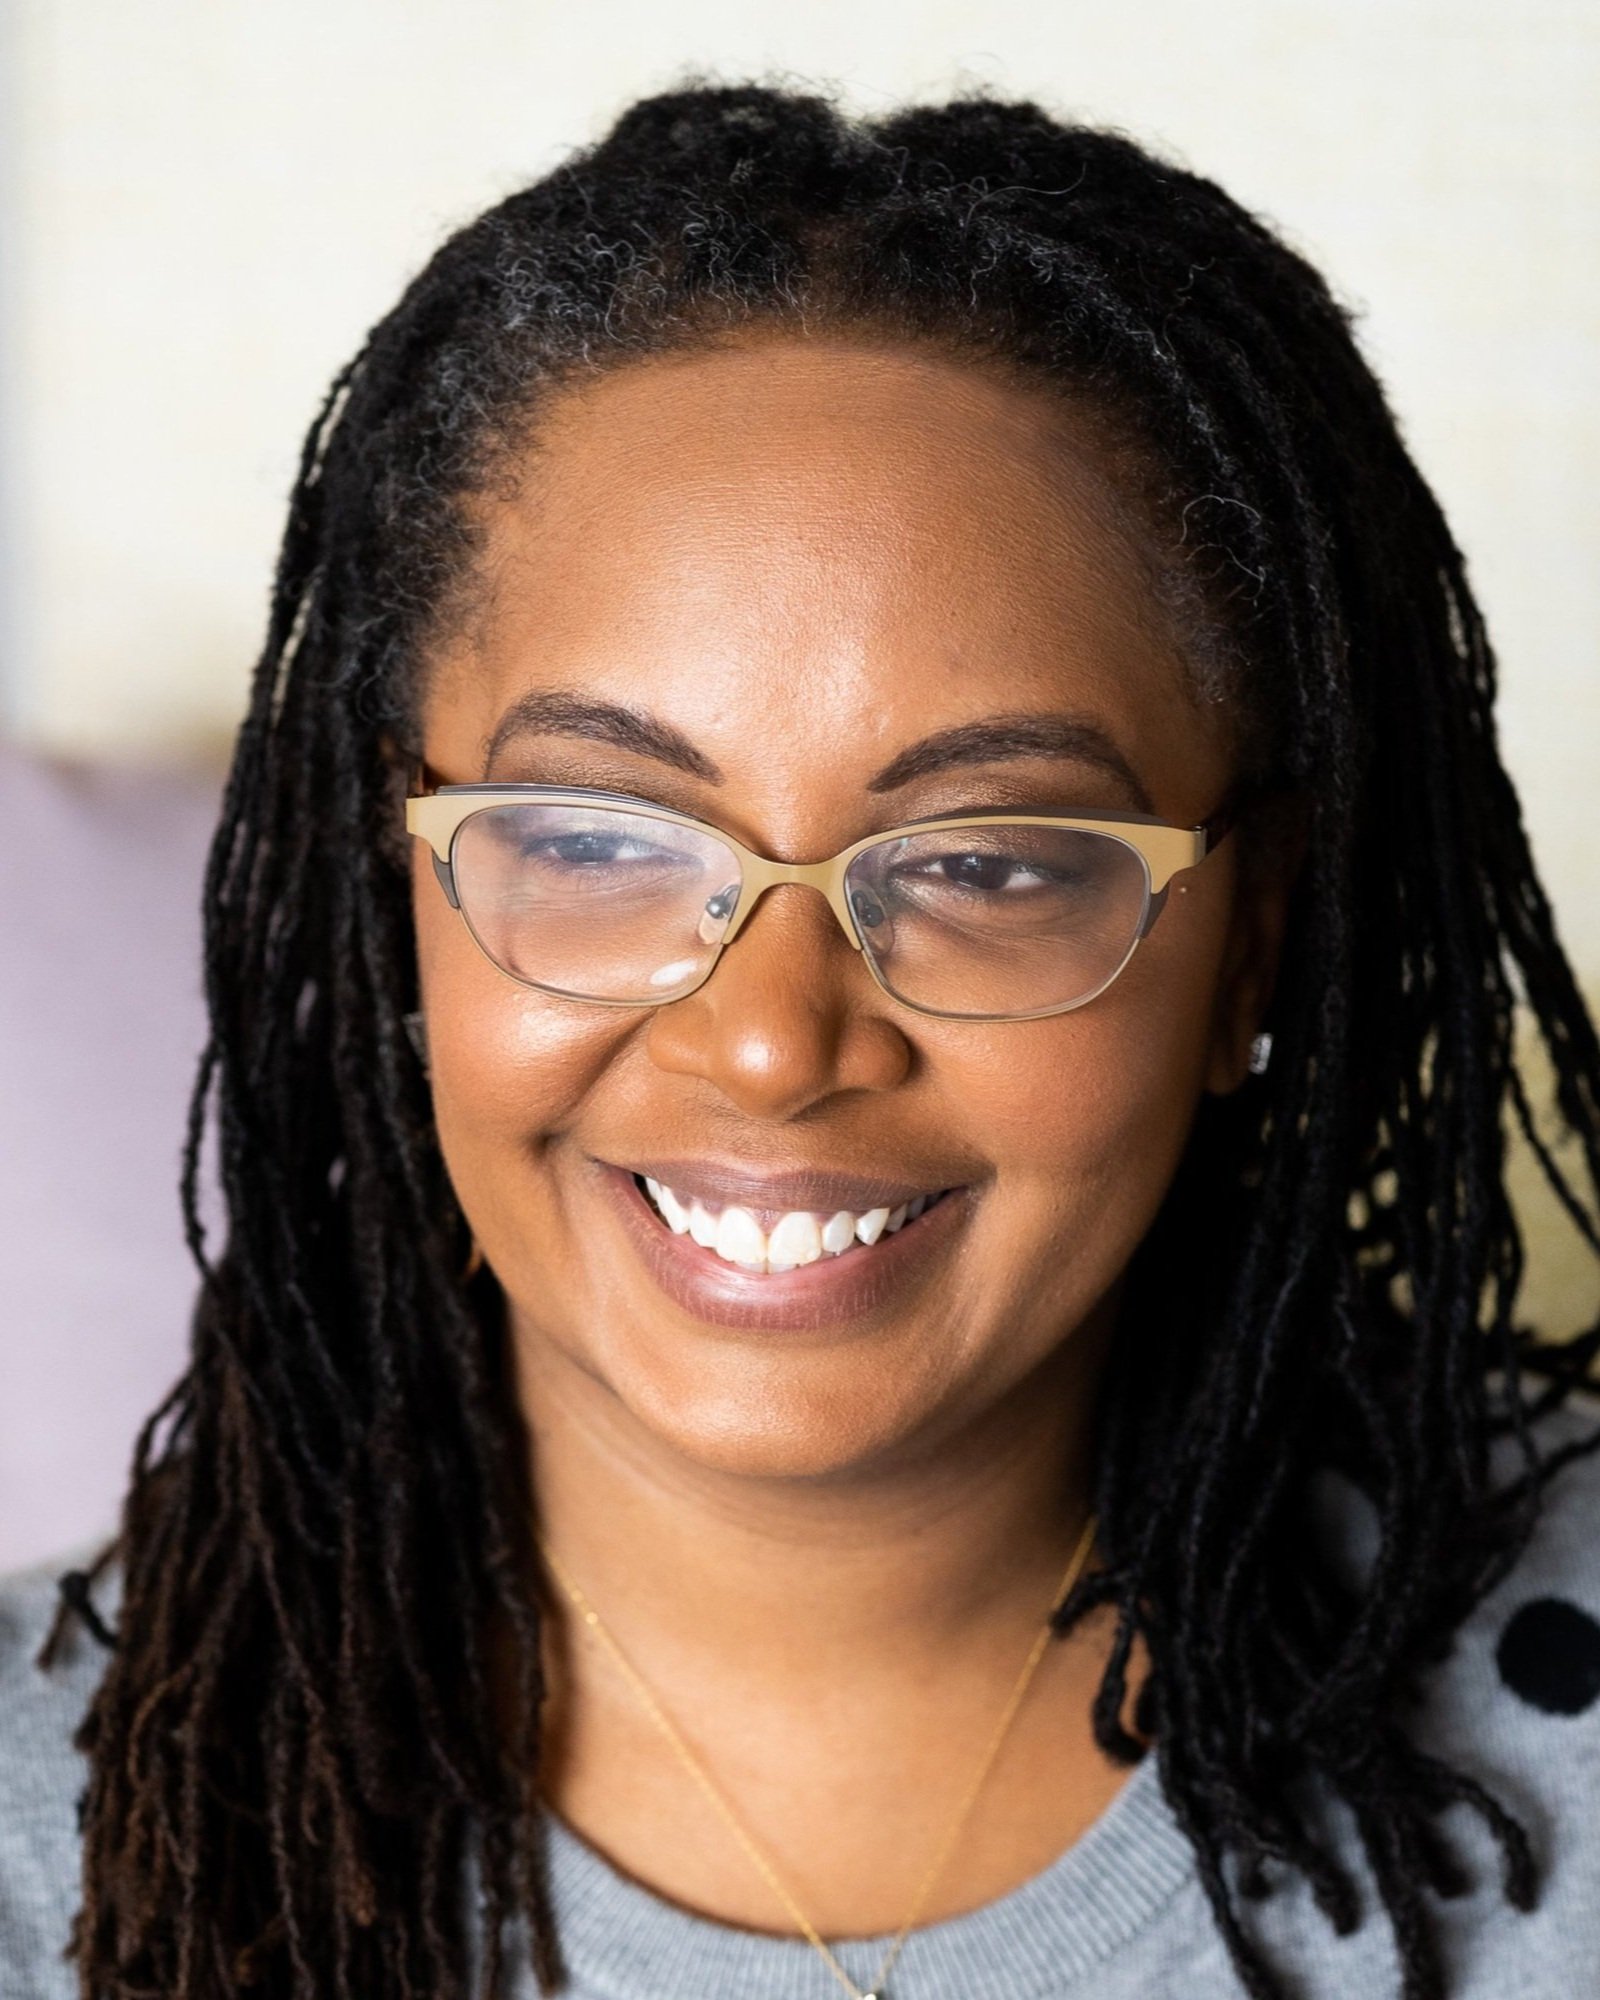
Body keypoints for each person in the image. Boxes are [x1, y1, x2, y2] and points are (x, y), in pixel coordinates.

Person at [4, 81, 1599, 2000]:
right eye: (595, 838)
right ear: (396, 883)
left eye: (994, 862)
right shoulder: (51, 1844)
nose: (772, 1043)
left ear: (1249, 947)